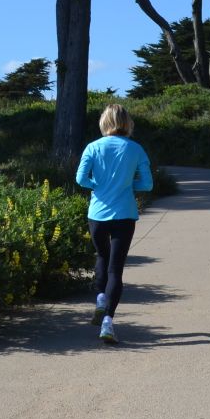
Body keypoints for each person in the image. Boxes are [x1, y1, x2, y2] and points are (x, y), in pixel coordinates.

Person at [74, 102, 153, 344]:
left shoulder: (92, 147)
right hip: (125, 214)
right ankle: (108, 321)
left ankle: (99, 298)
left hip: (97, 214)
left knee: (101, 256)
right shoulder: (136, 149)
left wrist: (98, 187)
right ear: (127, 123)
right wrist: (128, 187)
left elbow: (80, 179)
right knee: (115, 269)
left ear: (104, 122)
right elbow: (147, 184)